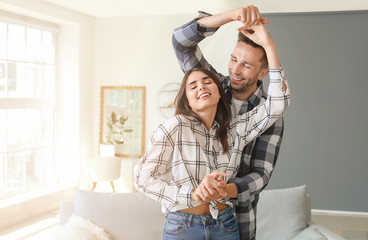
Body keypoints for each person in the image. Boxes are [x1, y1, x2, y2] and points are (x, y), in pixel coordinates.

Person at [135, 22, 289, 239]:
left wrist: (268, 44)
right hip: (184, 225)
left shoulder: (236, 129)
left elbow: (278, 103)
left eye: (207, 82)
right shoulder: (176, 126)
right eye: (192, 86)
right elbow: (142, 178)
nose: (201, 87)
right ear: (186, 99)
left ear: (219, 92)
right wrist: (194, 194)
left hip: (226, 224)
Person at [172, 5, 283, 239]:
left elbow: (261, 174)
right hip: (190, 218)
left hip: (238, 218)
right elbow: (181, 42)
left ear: (262, 73)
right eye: (234, 59)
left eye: (247, 65)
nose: (235, 69)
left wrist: (221, 191)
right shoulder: (211, 87)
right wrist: (232, 16)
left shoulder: (269, 114)